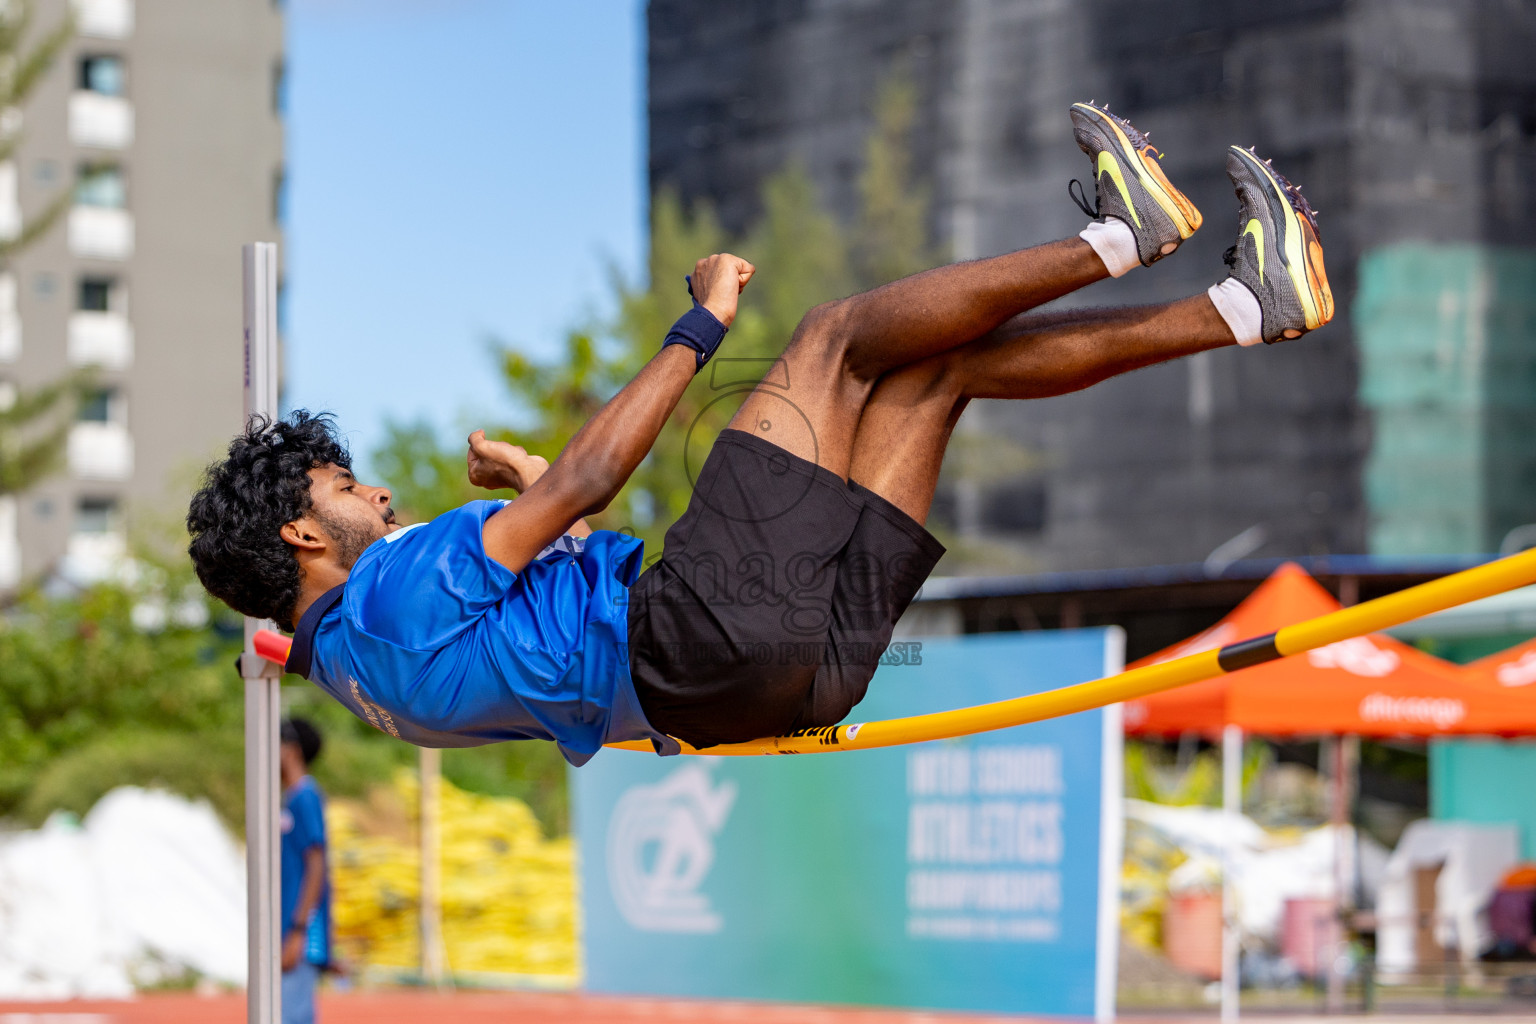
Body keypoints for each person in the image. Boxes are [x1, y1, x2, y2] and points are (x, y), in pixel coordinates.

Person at [187, 103, 1331, 763]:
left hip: (780, 686)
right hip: (695, 636)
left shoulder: (354, 668)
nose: (374, 495)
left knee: (935, 382)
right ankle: (1122, 235)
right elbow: (591, 480)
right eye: (346, 487)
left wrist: (526, 493)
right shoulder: (395, 586)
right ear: (300, 530)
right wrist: (700, 323)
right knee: (835, 339)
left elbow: (533, 635)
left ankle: (1246, 306)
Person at [279, 716, 331, 1024]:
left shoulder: (306, 797)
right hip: (289, 928)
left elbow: (316, 864)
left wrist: (298, 930)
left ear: (292, 750)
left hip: (300, 932)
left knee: (290, 1016)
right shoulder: (290, 798)